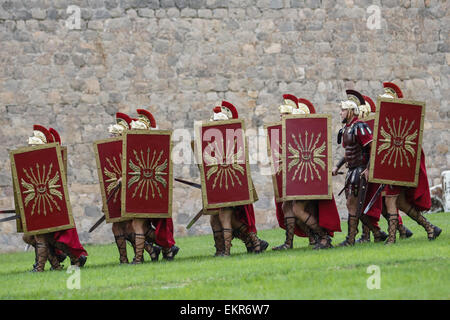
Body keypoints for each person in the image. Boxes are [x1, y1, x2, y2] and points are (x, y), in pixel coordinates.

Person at [272, 95, 341, 250]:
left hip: (306, 177)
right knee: (286, 208)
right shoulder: (290, 134)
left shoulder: (307, 133)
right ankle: (294, 242)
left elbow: (316, 153)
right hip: (295, 177)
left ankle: (323, 237)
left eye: (285, 115)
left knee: (297, 210)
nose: (282, 117)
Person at [377, 82, 441, 243]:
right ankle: (430, 228)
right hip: (388, 167)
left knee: (390, 201)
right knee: (402, 204)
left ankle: (391, 238)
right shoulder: (386, 123)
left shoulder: (401, 122)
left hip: (396, 167)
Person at [332, 90, 388, 246]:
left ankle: (350, 240)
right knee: (354, 205)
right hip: (351, 171)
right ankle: (377, 233)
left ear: (350, 111)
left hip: (360, 170)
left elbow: (372, 147)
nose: (340, 113)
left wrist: (369, 168)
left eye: (343, 110)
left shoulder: (360, 126)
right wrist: (337, 166)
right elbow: (348, 152)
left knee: (352, 204)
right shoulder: (346, 129)